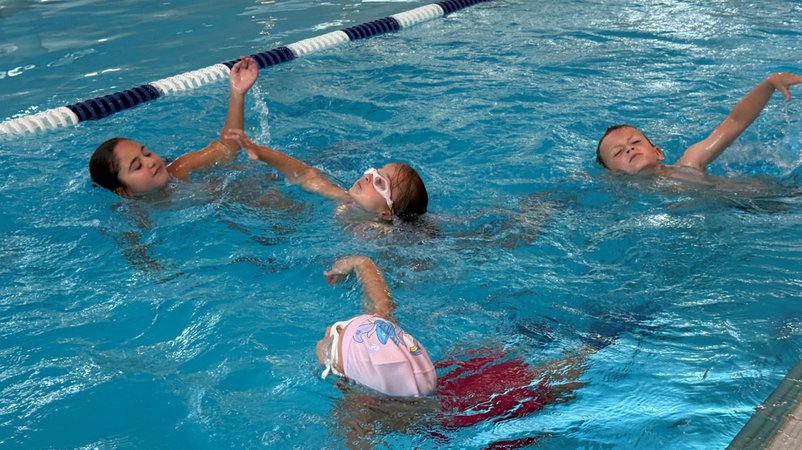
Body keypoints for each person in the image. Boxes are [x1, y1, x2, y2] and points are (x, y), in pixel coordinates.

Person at [319, 255, 601, 449]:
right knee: (560, 373)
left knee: (557, 384)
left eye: (334, 336)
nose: (330, 330)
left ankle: (603, 347)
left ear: (344, 373)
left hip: (460, 419)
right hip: (463, 379)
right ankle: (599, 345)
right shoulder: (383, 341)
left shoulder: (357, 406)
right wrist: (360, 263)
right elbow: (380, 305)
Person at [88, 56, 259, 197]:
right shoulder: (135, 217)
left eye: (146, 153)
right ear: (124, 191)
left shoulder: (180, 169)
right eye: (137, 166)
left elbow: (227, 148)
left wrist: (237, 94)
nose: (151, 162)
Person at [596, 72, 802, 176]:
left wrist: (769, 84)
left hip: (763, 201)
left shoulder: (690, 163)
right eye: (618, 152)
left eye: (635, 141)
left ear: (658, 153)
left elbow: (735, 122)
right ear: (612, 175)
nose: (630, 148)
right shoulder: (615, 193)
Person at [224, 129, 428, 221]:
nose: (368, 176)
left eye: (380, 183)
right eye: (374, 171)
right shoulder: (346, 199)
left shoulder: (382, 236)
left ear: (386, 213)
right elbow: (306, 175)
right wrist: (260, 152)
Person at [318, 255, 437, 397]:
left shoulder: (352, 413)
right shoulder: (400, 370)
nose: (328, 330)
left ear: (344, 377)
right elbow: (381, 314)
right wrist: (360, 263)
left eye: (337, 336)